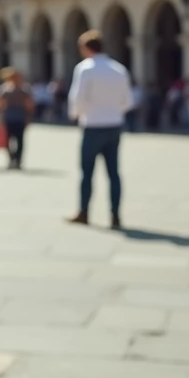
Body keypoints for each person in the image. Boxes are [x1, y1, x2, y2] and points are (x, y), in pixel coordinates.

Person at [66, 30, 133, 229]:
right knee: (114, 173)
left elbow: (77, 98)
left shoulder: (85, 69)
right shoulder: (119, 69)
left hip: (93, 125)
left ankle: (84, 212)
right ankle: (115, 215)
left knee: (87, 172)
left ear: (86, 48)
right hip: (114, 125)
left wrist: (79, 114)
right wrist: (113, 111)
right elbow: (127, 101)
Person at [0, 67, 33, 169]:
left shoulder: (24, 89)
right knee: (7, 140)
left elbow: (29, 105)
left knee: (20, 140)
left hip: (20, 116)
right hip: (8, 117)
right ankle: (12, 158)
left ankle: (18, 159)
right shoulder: (4, 89)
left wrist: (28, 117)